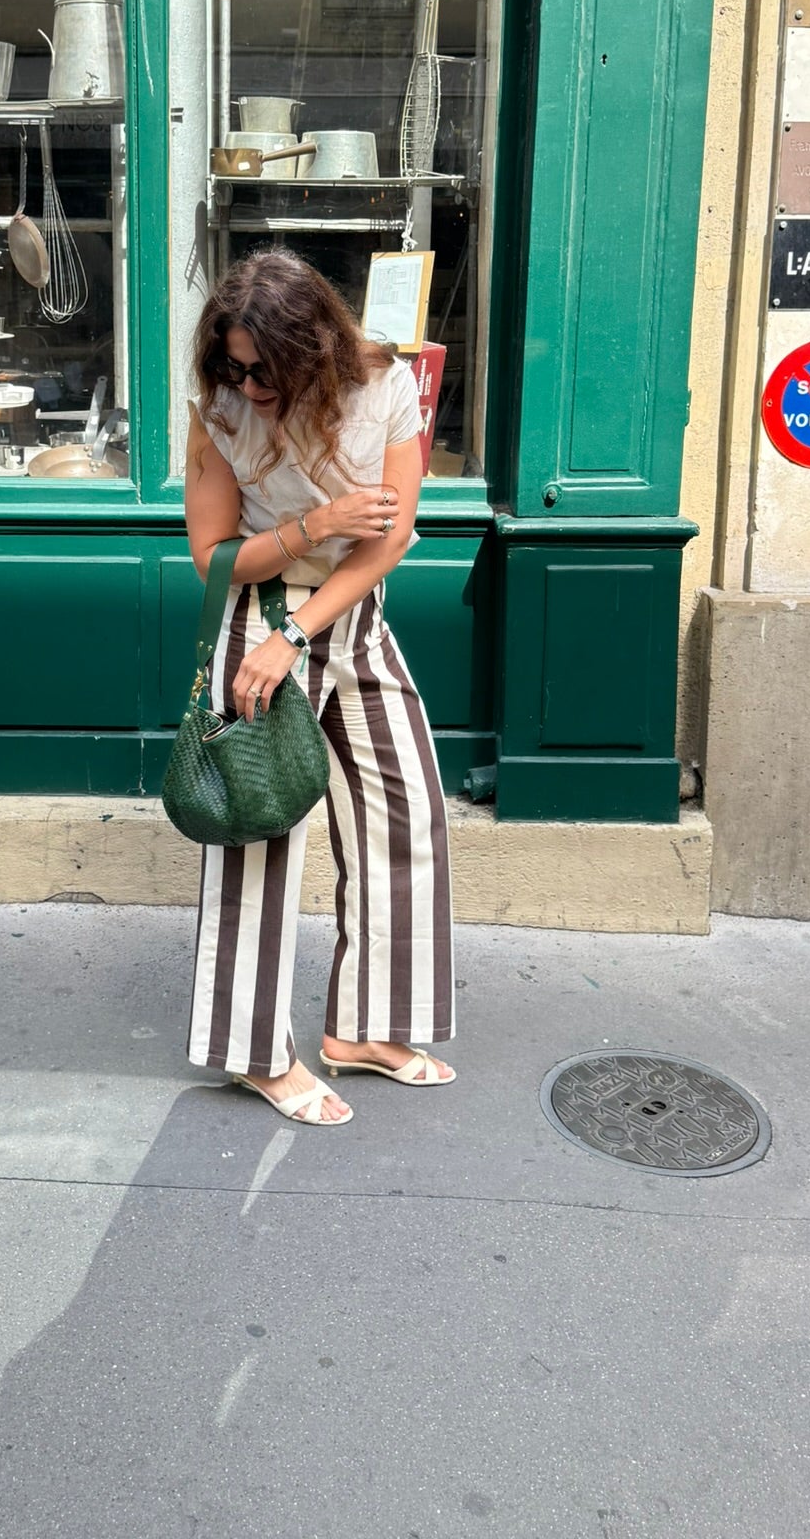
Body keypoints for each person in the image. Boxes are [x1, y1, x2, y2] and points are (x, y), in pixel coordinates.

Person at [184, 247, 455, 1126]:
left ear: (316, 352)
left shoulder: (387, 386)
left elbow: (395, 536)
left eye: (268, 369)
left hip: (346, 616)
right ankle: (254, 1052)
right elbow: (216, 560)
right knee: (258, 832)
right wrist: (319, 525)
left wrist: (305, 631)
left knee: (403, 809)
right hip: (257, 618)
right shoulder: (219, 411)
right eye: (234, 364)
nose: (250, 386)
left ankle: (366, 1026)